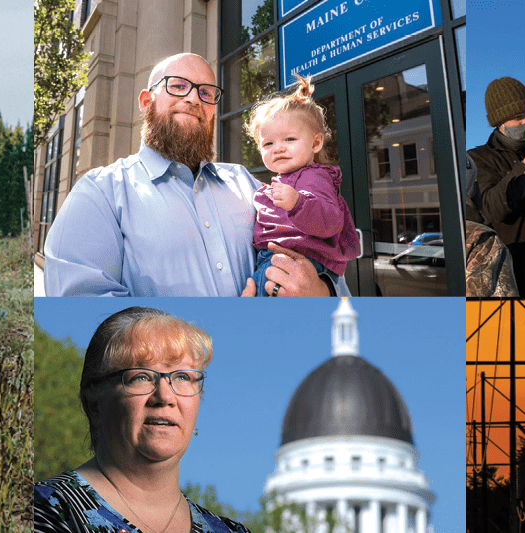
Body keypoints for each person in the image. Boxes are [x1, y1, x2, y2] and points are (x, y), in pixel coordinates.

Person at [44, 53, 333, 297]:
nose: (194, 98)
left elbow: (313, 249)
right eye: (179, 86)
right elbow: (82, 313)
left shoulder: (247, 183)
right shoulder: (99, 194)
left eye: (206, 92)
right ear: (146, 102)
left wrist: (322, 291)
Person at [33, 307, 249, 533]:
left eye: (183, 377)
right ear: (94, 405)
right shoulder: (44, 511)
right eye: (142, 377)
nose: (164, 397)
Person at [243, 74, 359, 297]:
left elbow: (331, 220)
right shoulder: (282, 181)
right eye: (268, 143)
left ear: (316, 143)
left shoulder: (315, 177)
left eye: (289, 139)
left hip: (301, 263)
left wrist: (297, 203)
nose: (278, 148)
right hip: (276, 261)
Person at [466, 77, 525, 297]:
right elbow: (494, 209)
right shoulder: (479, 159)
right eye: (518, 118)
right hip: (512, 279)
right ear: (500, 123)